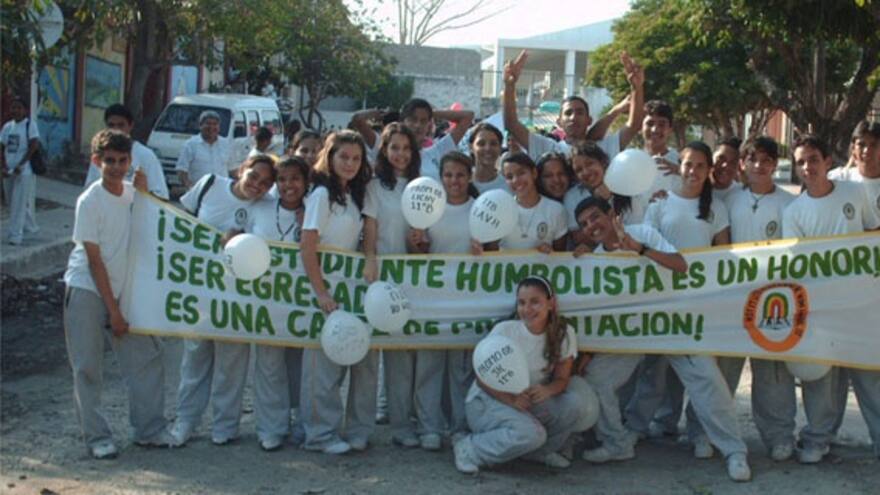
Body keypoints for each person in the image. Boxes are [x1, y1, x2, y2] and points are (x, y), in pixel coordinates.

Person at [63, 129, 172, 458]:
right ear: (96, 161)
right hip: (87, 288)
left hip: (126, 289)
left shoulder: (133, 193)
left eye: (121, 160)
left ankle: (149, 429)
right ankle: (97, 438)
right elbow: (95, 261)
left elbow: (152, 233)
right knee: (87, 365)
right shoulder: (90, 200)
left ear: (130, 162)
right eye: (109, 160)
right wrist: (113, 312)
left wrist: (144, 195)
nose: (115, 166)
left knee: (147, 359)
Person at [626, 141, 734, 459]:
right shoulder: (659, 204)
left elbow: (721, 257)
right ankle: (637, 427)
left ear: (708, 171)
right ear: (679, 165)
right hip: (661, 301)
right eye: (688, 164)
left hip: (699, 303)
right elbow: (646, 248)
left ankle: (701, 433)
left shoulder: (717, 209)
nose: (693, 171)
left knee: (701, 375)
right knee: (654, 372)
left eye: (701, 166)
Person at [782, 134, 880, 463]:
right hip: (820, 309)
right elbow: (795, 266)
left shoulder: (855, 192)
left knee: (869, 376)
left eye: (813, 159)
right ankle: (817, 438)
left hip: (860, 305)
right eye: (800, 162)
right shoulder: (794, 212)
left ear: (828, 162)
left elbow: (871, 236)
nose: (807, 167)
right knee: (822, 379)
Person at [169, 155, 277, 447]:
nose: (258, 185)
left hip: (238, 297)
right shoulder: (210, 185)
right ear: (242, 169)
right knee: (194, 360)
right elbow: (181, 220)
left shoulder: (267, 206)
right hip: (201, 290)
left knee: (232, 365)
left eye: (266, 183)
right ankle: (185, 421)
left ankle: (225, 426)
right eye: (254, 176)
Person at [718, 136, 797, 461]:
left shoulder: (788, 204)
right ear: (743, 164)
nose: (759, 166)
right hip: (733, 299)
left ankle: (779, 436)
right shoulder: (730, 201)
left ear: (774, 164)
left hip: (772, 300)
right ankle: (715, 432)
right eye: (753, 159)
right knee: (725, 370)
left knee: (773, 372)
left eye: (766, 160)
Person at [453, 276, 583, 473]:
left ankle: (537, 453)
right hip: (488, 402)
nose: (527, 309)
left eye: (535, 302)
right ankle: (470, 448)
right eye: (522, 303)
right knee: (533, 434)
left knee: (573, 405)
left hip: (526, 401)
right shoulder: (505, 330)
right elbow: (482, 377)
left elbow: (562, 379)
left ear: (551, 303)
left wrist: (547, 390)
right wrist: (511, 399)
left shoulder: (564, 333)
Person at [299, 130, 376, 455]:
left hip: (352, 287)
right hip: (326, 288)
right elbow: (308, 247)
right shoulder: (321, 195)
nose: (350, 163)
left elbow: (368, 233)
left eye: (356, 158)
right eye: (344, 157)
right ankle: (319, 434)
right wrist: (321, 292)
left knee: (360, 359)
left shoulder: (355, 195)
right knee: (323, 366)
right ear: (330, 157)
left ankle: (359, 431)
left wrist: (371, 255)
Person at [408, 151, 481, 450]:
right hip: (433, 300)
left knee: (460, 368)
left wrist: (483, 254)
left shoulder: (480, 209)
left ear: (469, 177)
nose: (454, 181)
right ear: (441, 178)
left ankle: (459, 425)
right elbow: (417, 258)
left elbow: (492, 257)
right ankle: (429, 427)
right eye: (449, 175)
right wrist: (418, 246)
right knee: (429, 365)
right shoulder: (428, 210)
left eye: (461, 175)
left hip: (467, 300)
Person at [243, 156, 310, 451]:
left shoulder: (314, 212)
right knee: (269, 365)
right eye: (282, 180)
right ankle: (271, 427)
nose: (288, 185)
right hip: (266, 301)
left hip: (302, 302)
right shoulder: (259, 208)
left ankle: (299, 421)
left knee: (300, 364)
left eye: (295, 179)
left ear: (305, 182)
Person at [362, 123, 422, 448]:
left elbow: (419, 239)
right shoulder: (374, 187)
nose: (400, 154)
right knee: (370, 354)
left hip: (407, 278)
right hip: (378, 273)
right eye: (394, 147)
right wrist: (370, 257)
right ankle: (364, 423)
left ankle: (402, 424)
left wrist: (418, 242)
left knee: (401, 355)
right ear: (384, 151)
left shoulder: (421, 187)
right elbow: (370, 227)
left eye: (406, 148)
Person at [503, 50, 644, 162]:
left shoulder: (604, 148)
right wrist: (509, 86)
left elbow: (634, 125)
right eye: (568, 113)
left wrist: (636, 87)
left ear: (589, 120)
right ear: (559, 122)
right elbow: (512, 124)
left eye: (580, 112)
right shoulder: (547, 147)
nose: (574, 117)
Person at [351, 99, 474, 178]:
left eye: (423, 120)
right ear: (402, 121)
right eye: (413, 119)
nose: (418, 125)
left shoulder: (436, 152)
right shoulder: (384, 148)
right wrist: (378, 113)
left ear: (429, 125)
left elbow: (468, 117)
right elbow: (357, 119)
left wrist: (431, 113)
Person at [564, 143, 640, 250]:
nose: (585, 172)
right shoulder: (572, 196)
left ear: (603, 163)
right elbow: (578, 237)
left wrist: (609, 200)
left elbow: (636, 227)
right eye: (579, 170)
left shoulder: (625, 187)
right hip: (600, 258)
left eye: (590, 164)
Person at [84, 103, 169, 199]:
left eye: (121, 125)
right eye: (111, 125)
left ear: (130, 125)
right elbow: (89, 190)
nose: (116, 130)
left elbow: (162, 196)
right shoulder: (101, 154)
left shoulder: (146, 156)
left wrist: (144, 191)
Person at [498, 152, 568, 252]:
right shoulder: (501, 210)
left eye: (521, 173)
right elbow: (491, 250)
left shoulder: (556, 210)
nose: (516, 180)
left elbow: (562, 255)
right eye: (509, 177)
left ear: (534, 173)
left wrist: (551, 252)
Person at [1, 96, 40, 245]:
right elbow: (2, 146)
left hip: (24, 171)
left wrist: (21, 165)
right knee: (13, 201)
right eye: (13, 107)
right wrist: (3, 166)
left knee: (18, 203)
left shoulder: (29, 125)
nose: (15, 111)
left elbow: (34, 145)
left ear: (24, 110)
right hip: (8, 170)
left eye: (19, 108)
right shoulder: (7, 127)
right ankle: (30, 227)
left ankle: (15, 235)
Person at [633, 100, 683, 214]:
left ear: (670, 129)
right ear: (640, 128)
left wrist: (680, 170)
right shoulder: (631, 161)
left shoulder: (682, 163)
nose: (655, 129)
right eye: (650, 124)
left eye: (662, 124)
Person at [829, 120, 880, 220]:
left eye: (873, 145)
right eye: (861, 144)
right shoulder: (838, 178)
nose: (867, 150)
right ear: (853, 148)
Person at [175, 110, 233, 189]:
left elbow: (232, 169)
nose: (211, 127)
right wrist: (190, 187)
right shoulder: (190, 145)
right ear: (200, 125)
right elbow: (181, 170)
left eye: (215, 124)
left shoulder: (226, 144)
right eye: (208, 123)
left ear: (219, 127)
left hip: (221, 192)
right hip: (199, 191)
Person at [468, 122, 508, 193]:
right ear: (471, 147)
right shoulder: (461, 184)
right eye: (481, 144)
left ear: (500, 148)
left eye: (493, 144)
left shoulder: (509, 186)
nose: (488, 148)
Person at [712, 136, 742, 204]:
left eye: (732, 162)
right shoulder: (698, 192)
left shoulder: (743, 194)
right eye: (721, 159)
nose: (726, 166)